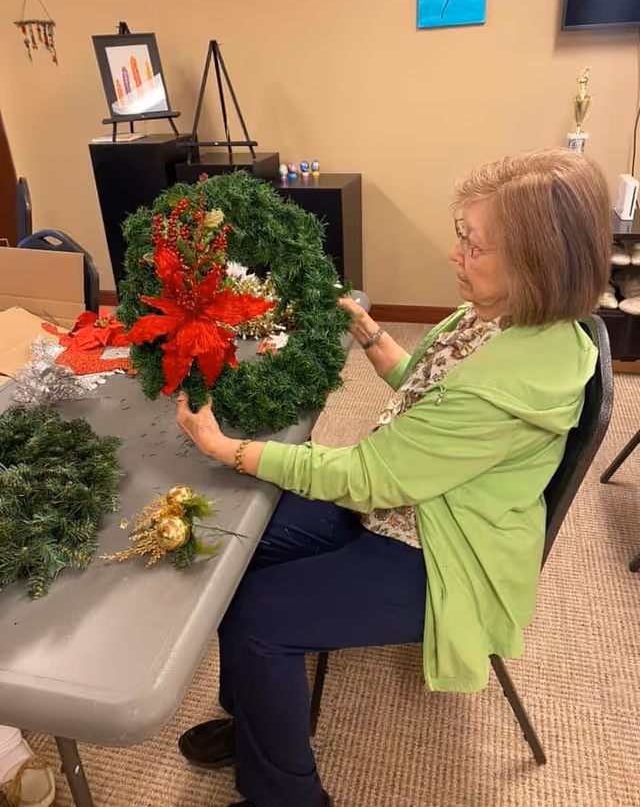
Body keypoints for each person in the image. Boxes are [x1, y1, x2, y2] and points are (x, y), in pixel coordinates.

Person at [174, 148, 611, 807]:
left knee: (258, 616)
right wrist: (371, 332)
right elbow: (427, 393)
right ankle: (261, 719)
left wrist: (225, 448)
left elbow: (370, 475)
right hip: (417, 503)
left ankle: (288, 797)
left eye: (474, 244)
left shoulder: (508, 384)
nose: (455, 254)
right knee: (245, 542)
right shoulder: (501, 318)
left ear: (536, 263)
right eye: (462, 234)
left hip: (446, 552)